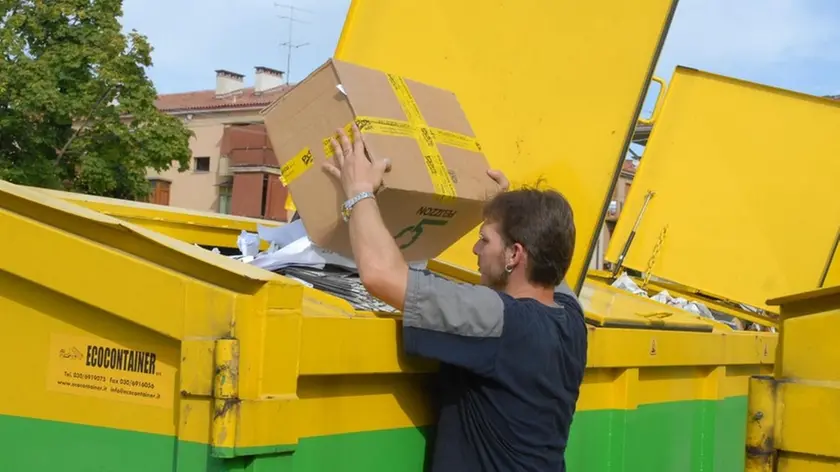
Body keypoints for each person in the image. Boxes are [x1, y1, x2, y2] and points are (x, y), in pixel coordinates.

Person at [323, 125, 588, 472]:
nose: (476, 249)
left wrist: (359, 190)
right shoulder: (571, 320)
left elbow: (380, 275)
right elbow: (549, 251)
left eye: (485, 240)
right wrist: (508, 205)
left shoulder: (501, 321)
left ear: (514, 255)